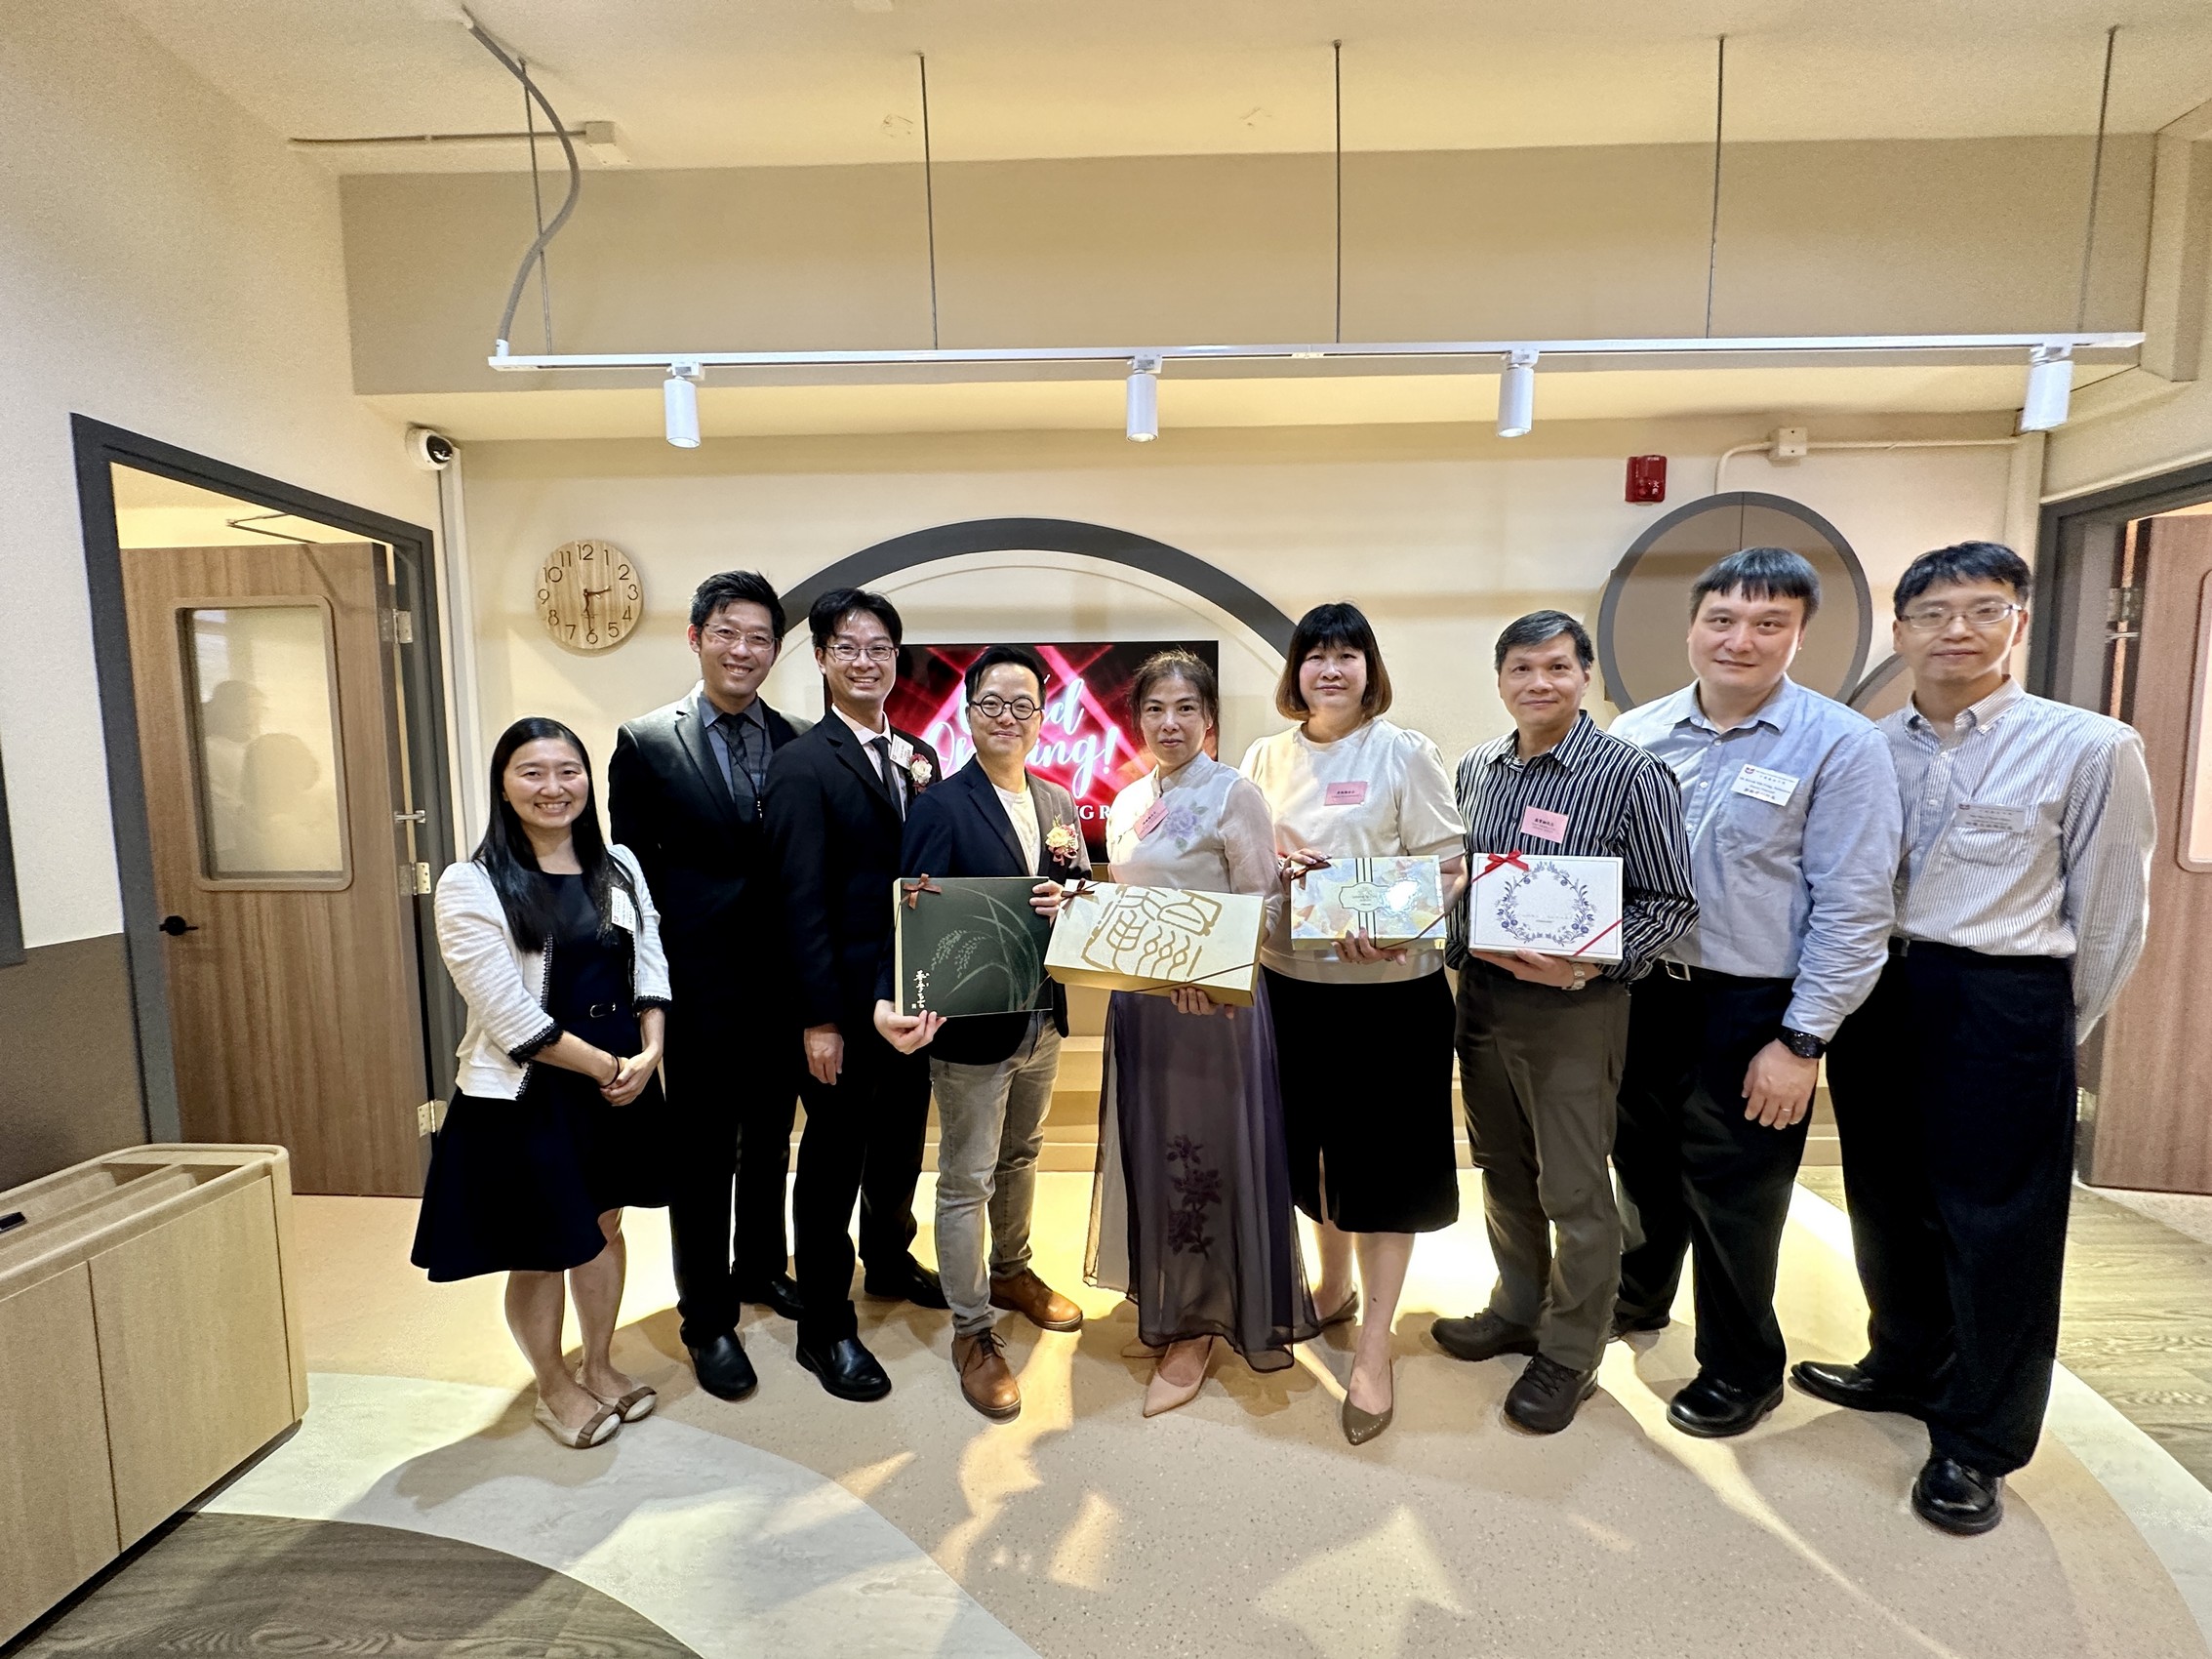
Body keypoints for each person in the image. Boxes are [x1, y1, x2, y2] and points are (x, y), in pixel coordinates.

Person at [1799, 542, 2154, 1535]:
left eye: (1982, 608)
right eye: (1932, 612)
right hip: (1881, 988)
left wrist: (2047, 1030)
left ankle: (1978, 1439)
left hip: (2003, 997)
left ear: (2018, 622)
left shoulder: (2089, 746)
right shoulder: (1865, 746)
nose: (1955, 629)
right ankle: (1901, 1361)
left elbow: (2111, 917)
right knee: (1885, 1198)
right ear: (1900, 630)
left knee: (1999, 1226)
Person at [1607, 549, 1901, 1438]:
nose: (1740, 639)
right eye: (1722, 620)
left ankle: (1740, 1367)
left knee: (1735, 1195)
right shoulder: (1636, 734)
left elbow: (1855, 905)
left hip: (1754, 1005)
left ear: (1798, 635)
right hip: (1642, 990)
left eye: (1768, 623)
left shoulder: (1839, 743)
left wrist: (1802, 1039)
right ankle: (1637, 1294)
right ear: (1691, 628)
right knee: (1640, 1163)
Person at [1433, 611, 1696, 1436]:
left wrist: (1588, 964)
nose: (1537, 683)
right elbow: (1465, 876)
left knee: (1574, 1186)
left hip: (1575, 1006)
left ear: (1585, 675)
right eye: (1520, 668)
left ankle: (1572, 1349)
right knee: (1500, 1167)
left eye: (1555, 667)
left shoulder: (1631, 774)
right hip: (1482, 998)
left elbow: (1670, 903)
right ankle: (1517, 1308)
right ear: (1499, 680)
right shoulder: (1477, 767)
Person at [1239, 603, 1466, 1446]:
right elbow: (1247, 866)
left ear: (1369, 668)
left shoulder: (1403, 752)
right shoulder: (1264, 757)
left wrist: (1391, 923)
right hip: (1290, 987)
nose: (1329, 670)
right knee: (1309, 1152)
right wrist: (1276, 869)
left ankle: (1374, 1346)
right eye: (1314, 656)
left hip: (1389, 995)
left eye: (1346, 655)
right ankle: (1330, 1288)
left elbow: (1449, 867)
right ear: (1294, 670)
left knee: (1385, 1168)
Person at [414, 717, 670, 1448]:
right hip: (533, 1090)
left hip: (620, 1080)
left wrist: (651, 1051)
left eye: (568, 771)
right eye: (532, 772)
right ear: (503, 786)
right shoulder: (471, 883)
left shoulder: (617, 864)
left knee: (605, 1224)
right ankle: (553, 1387)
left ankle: (599, 1363)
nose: (553, 787)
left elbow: (649, 960)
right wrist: (607, 1066)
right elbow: (507, 1014)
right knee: (541, 1244)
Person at [1085, 650, 1319, 1416]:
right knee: (1155, 1149)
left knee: (1208, 1153)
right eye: (1154, 709)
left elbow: (1263, 905)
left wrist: (1214, 975)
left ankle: (1201, 1322)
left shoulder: (1232, 792)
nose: (1170, 723)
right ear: (1136, 719)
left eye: (1185, 708)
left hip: (1211, 1012)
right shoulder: (1127, 800)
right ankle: (1173, 1296)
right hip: (1143, 1008)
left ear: (1208, 717)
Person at [872, 644, 1091, 1423]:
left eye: (1022, 704)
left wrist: (1074, 901)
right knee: (967, 1178)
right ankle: (971, 1330)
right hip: (970, 1025)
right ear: (968, 714)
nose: (1007, 717)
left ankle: (1012, 1270)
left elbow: (1081, 892)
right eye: (992, 703)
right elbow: (914, 913)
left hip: (1042, 1017)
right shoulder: (940, 805)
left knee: (1022, 1154)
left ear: (1042, 716)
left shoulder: (1059, 801)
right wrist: (894, 996)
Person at [609, 571, 803, 1403]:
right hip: (695, 986)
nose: (742, 650)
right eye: (726, 632)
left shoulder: (797, 741)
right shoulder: (646, 741)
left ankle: (760, 1266)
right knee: (701, 1156)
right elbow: (627, 883)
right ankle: (706, 1315)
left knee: (771, 1141)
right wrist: (646, 995)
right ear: (696, 638)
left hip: (782, 983)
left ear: (775, 651)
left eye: (758, 638)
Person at [763, 588, 948, 1404]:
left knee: (902, 1140)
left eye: (879, 648)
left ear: (896, 659)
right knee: (833, 1158)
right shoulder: (802, 764)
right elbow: (797, 902)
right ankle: (824, 1324)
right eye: (847, 647)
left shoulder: (920, 755)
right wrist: (819, 1020)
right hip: (840, 1006)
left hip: (909, 996)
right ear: (820, 659)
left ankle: (889, 1257)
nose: (865, 661)